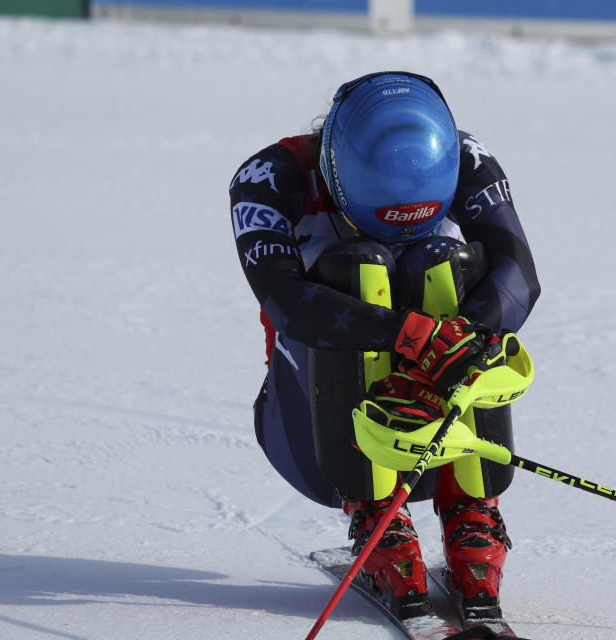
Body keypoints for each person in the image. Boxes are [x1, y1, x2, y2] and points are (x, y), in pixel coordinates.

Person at [229, 71, 540, 620]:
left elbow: (518, 273)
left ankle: (473, 510)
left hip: (439, 414)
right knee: (358, 266)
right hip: (313, 429)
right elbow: (287, 303)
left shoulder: (466, 156)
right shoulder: (269, 178)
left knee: (445, 266)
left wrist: (459, 339)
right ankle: (375, 512)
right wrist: (409, 335)